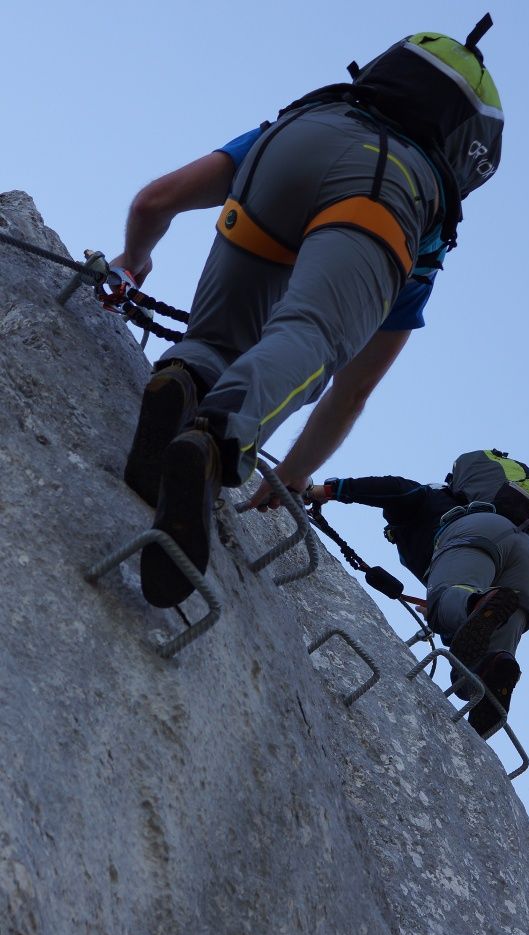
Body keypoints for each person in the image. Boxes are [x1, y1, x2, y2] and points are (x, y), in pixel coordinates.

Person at [114, 23, 504, 609]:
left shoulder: (306, 115)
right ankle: (215, 439)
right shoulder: (428, 222)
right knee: (314, 333)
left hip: (286, 149)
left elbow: (155, 201)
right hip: (389, 190)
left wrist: (132, 260)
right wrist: (296, 472)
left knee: (217, 339)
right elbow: (352, 390)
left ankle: (184, 378)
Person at [306, 449, 529, 738]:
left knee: (455, 601)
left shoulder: (435, 496)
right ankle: (488, 690)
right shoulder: (481, 508)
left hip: (479, 531)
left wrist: (326, 490)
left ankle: (473, 604)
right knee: (487, 657)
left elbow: (395, 488)